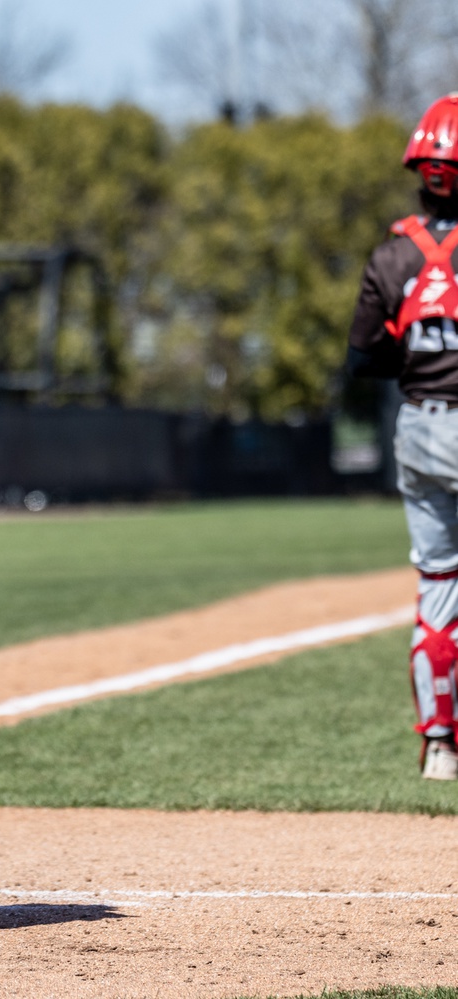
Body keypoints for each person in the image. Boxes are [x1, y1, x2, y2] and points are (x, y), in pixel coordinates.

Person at [347, 92, 458, 781]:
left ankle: (439, 746)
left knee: (437, 587)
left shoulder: (391, 256)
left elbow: (362, 359)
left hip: (418, 427)